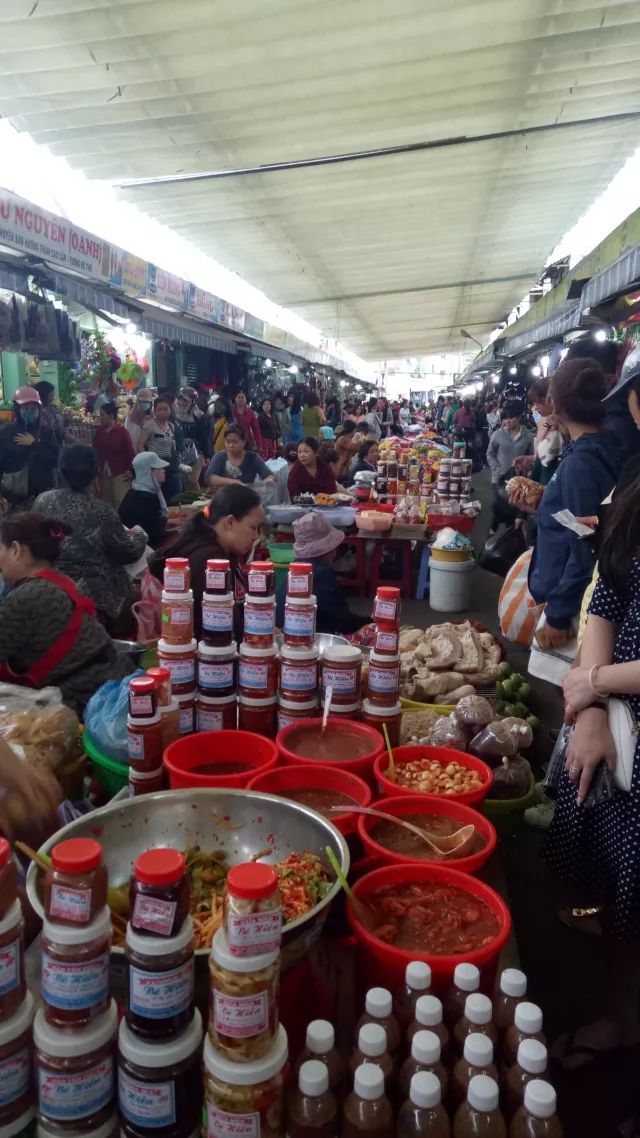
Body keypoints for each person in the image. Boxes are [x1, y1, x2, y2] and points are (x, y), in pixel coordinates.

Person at [523, 358, 624, 648]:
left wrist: (558, 612)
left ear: (554, 403)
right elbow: (583, 519)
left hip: (575, 604)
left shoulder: (581, 462)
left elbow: (586, 541)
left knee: (572, 689)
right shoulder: (598, 448)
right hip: (582, 598)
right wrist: (544, 504)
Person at [0, 512, 118, 714]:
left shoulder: (27, 596)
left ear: (16, 550)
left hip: (77, 705)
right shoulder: (62, 581)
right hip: (106, 688)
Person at [34, 443, 147, 632]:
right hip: (98, 599)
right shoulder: (102, 511)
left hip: (52, 589)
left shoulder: (43, 501)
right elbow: (129, 552)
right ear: (95, 473)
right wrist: (140, 535)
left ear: (61, 470)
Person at [152, 484, 264, 638]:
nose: (255, 536)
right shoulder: (211, 565)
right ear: (229, 522)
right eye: (253, 527)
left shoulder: (217, 550)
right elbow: (223, 630)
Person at [275, 513, 368, 636]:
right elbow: (343, 620)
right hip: (308, 640)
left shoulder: (293, 570)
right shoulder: (321, 574)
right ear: (331, 550)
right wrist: (370, 622)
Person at [0, 386, 59, 509]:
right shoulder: (6, 433)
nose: (29, 411)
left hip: (43, 496)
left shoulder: (46, 433)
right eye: (25, 408)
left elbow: (55, 460)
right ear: (17, 408)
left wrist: (34, 445)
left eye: (33, 408)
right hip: (13, 497)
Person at [486, 402, 534, 534]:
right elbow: (490, 454)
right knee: (498, 505)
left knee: (512, 507)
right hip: (499, 479)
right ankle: (492, 531)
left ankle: (508, 537)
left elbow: (532, 456)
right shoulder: (498, 434)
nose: (506, 421)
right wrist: (497, 469)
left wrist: (526, 468)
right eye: (504, 418)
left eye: (510, 418)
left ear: (518, 418)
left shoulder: (528, 436)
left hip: (518, 479)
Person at [138, 396, 183, 502]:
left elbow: (174, 448)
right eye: (159, 409)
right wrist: (149, 464)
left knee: (176, 497)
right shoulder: (149, 425)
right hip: (156, 466)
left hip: (171, 467)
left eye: (165, 409)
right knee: (159, 499)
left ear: (170, 410)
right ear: (154, 410)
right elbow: (140, 445)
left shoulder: (172, 426)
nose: (163, 412)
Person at [119, 451, 169, 546]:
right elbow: (154, 536)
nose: (164, 470)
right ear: (148, 472)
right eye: (159, 468)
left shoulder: (134, 491)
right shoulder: (147, 498)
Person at [94, 401, 135, 508]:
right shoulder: (99, 432)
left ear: (111, 416)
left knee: (121, 503)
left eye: (102, 415)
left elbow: (131, 453)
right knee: (107, 504)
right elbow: (95, 452)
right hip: (104, 475)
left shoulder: (122, 432)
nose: (100, 418)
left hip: (120, 474)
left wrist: (130, 470)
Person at [206, 425, 275, 489]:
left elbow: (269, 475)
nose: (231, 445)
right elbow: (209, 477)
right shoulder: (219, 457)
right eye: (228, 442)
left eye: (235, 442)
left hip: (247, 497)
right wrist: (232, 482)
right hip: (224, 498)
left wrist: (268, 481)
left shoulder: (253, 458)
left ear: (244, 442)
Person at [34, 380, 65, 447]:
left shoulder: (52, 408)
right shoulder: (37, 411)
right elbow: (58, 430)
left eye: (53, 395)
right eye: (51, 395)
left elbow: (60, 430)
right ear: (43, 395)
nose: (52, 398)